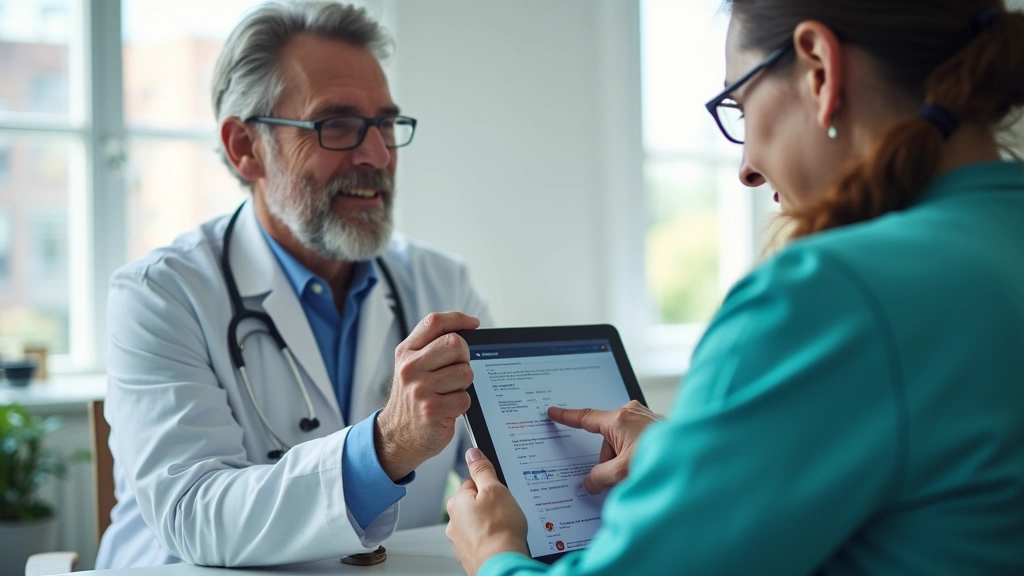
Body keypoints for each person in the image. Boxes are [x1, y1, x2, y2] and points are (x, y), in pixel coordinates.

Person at [446, 1, 1024, 574]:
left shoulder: (827, 294)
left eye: (740, 107)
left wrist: (495, 551)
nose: (746, 168)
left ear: (819, 68)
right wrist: (697, 460)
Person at [97, 0, 491, 569]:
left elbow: (506, 451)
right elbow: (193, 512)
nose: (378, 154)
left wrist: (595, 457)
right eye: (337, 125)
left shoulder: (439, 280)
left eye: (384, 124)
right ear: (245, 148)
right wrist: (386, 447)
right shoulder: (159, 295)